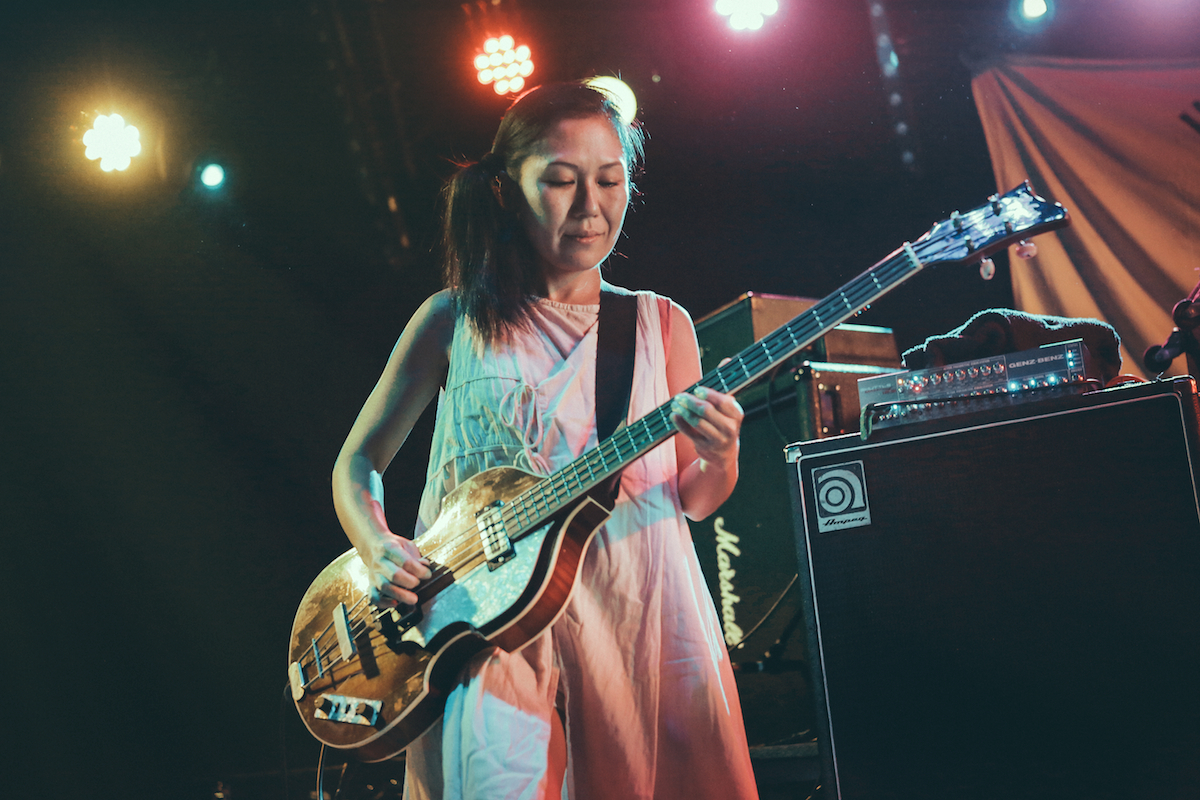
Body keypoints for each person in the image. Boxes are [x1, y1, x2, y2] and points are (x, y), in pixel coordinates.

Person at [332, 81, 759, 800]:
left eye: (610, 179)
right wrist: (378, 549)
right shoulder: (452, 320)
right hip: (486, 620)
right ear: (503, 190)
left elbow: (694, 498)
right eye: (561, 181)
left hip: (636, 613)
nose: (590, 206)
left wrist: (721, 453)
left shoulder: (661, 324)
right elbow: (358, 461)